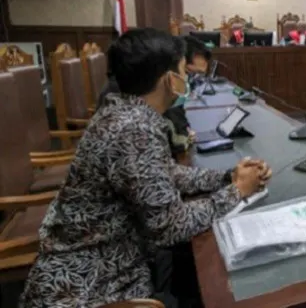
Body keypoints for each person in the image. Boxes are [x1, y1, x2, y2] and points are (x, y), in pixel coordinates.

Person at [20, 28, 272, 308]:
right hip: (91, 284)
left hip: (111, 258)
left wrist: (227, 177)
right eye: (182, 71)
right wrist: (237, 191)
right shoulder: (133, 130)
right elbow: (170, 225)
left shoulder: (124, 111)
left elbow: (167, 173)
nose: (187, 78)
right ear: (169, 80)